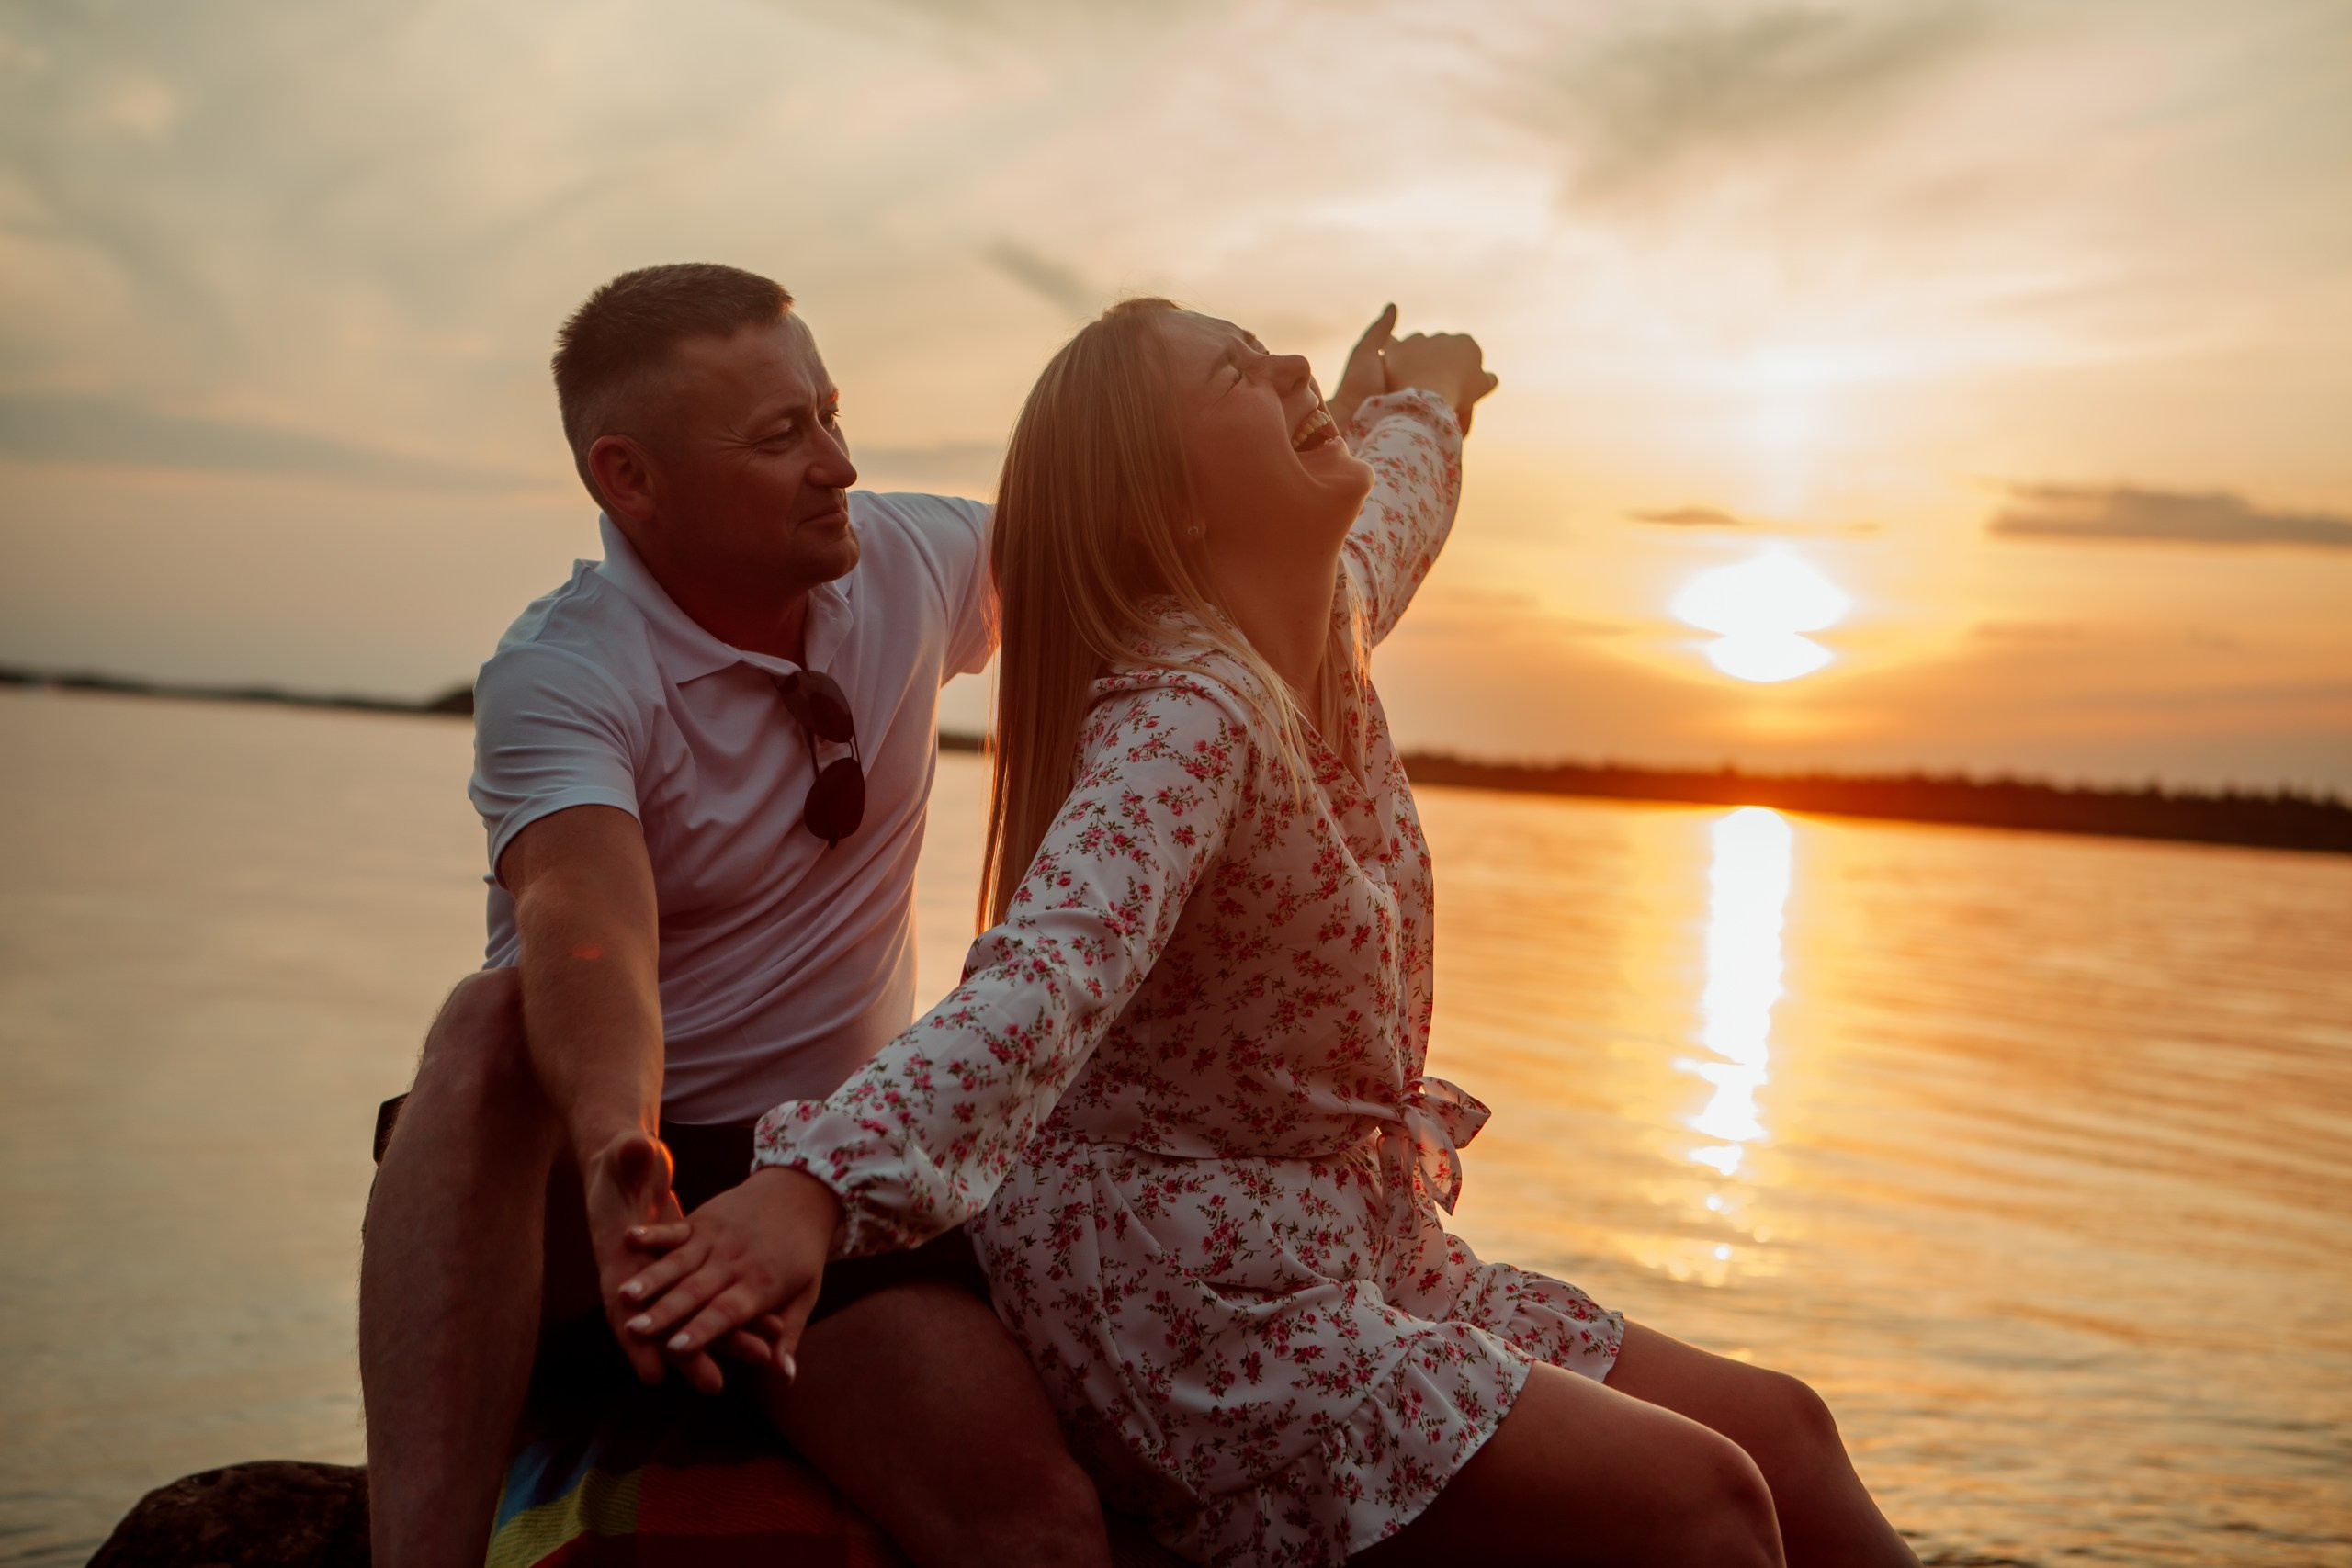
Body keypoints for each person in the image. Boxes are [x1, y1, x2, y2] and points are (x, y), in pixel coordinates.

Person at [612, 298, 1928, 1566]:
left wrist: (1429, 392)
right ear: (1171, 506)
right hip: (1181, 1300)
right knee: (1699, 1503)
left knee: (1790, 1440)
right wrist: (816, 1184)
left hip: (1347, 1242)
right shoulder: (1186, 719)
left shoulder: (1332, 611)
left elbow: (1406, 489)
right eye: (1240, 372)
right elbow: (1045, 974)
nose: (1293, 366)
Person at [357, 263, 1204, 1568]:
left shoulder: (915, 562)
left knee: (1041, 1526)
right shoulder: (565, 670)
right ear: (628, 479)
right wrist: (613, 1152)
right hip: (585, 1191)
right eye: (780, 437)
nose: (840, 461)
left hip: (825, 1172)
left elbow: (1154, 540)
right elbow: (591, 925)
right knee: (482, 1027)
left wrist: (1380, 425)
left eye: (829, 412)